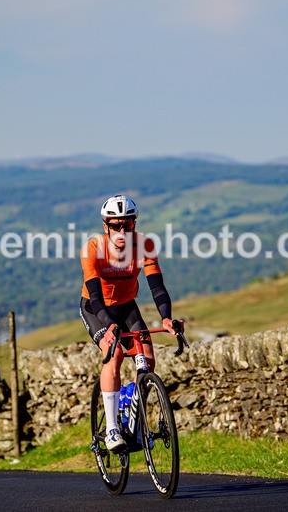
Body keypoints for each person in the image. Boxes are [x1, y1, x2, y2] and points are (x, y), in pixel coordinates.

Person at [79, 194, 183, 452]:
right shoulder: (93, 248)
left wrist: (167, 317)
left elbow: (157, 287)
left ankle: (134, 418)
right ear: (106, 226)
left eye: (127, 224)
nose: (122, 230)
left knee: (147, 358)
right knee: (113, 354)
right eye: (116, 225)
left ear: (134, 224)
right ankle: (113, 427)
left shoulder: (144, 246)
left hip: (126, 306)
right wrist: (107, 326)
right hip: (96, 307)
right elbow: (94, 295)